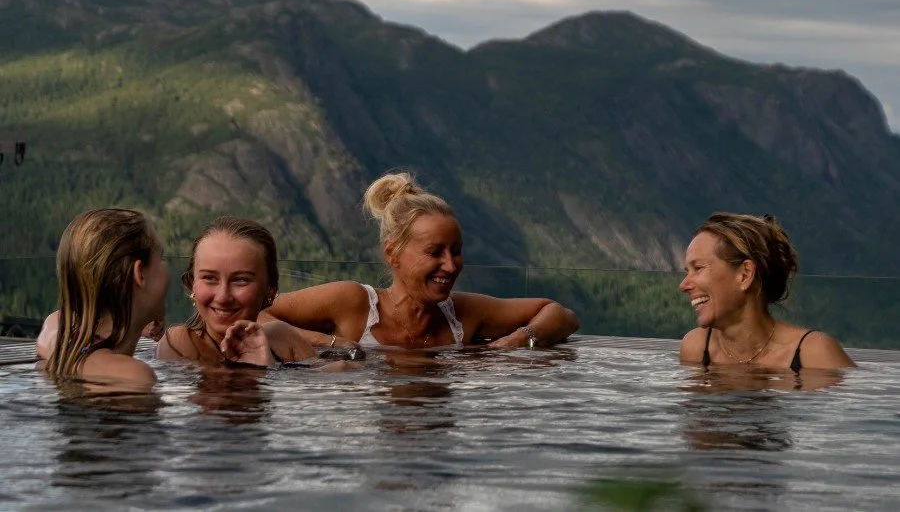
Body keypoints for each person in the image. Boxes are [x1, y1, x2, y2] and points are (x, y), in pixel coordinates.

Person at [266, 172, 580, 349]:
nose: (451, 265)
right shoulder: (353, 303)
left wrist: (518, 341)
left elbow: (561, 315)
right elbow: (250, 313)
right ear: (392, 254)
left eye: (455, 251)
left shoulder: (464, 313)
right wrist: (323, 341)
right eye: (435, 252)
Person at [679, 212, 855, 370]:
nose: (683, 285)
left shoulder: (813, 355)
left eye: (698, 268)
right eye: (687, 272)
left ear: (745, 274)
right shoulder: (697, 349)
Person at [157, 216, 324, 367]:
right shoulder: (180, 342)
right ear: (193, 284)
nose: (223, 297)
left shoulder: (283, 337)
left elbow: (331, 378)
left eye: (241, 280)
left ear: (270, 290)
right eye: (209, 278)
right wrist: (262, 370)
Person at [43, 207, 171, 386]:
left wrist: (132, 321)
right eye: (162, 258)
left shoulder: (62, 348)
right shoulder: (133, 376)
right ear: (139, 274)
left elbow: (53, 323)